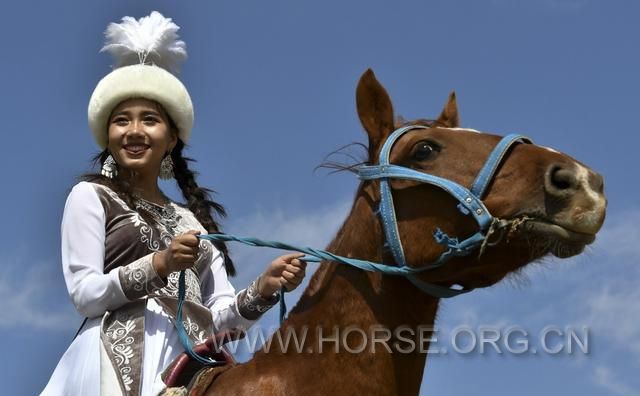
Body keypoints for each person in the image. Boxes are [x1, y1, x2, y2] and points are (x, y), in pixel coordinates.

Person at [41, 11, 307, 396]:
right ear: (107, 135)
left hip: (193, 366)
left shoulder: (191, 221)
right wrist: (159, 264)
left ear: (171, 139)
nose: (134, 131)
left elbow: (218, 319)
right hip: (113, 363)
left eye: (149, 120)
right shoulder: (91, 195)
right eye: (121, 121)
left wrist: (263, 289)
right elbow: (84, 294)